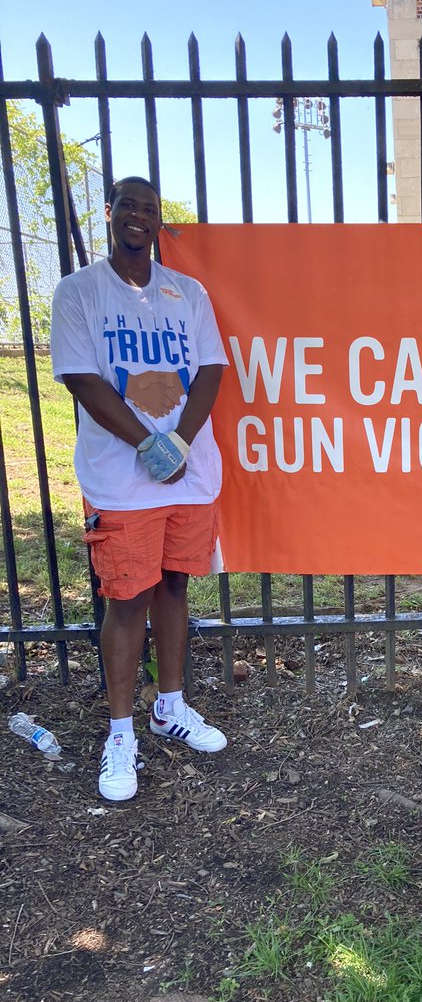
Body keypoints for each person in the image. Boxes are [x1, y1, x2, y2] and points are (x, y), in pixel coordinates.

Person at [50, 176, 229, 801]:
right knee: (126, 599)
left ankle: (170, 706)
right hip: (122, 482)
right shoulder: (79, 292)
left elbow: (210, 368)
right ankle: (121, 733)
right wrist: (145, 445)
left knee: (175, 585)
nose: (139, 217)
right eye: (129, 205)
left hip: (189, 473)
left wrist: (177, 443)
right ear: (110, 214)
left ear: (158, 223)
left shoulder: (189, 293)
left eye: (150, 209)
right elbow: (82, 379)